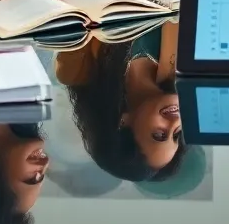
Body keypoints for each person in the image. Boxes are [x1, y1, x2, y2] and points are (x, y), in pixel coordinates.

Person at [55, 22, 190, 180]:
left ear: (123, 123)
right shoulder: (188, 65)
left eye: (160, 134)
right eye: (176, 134)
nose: (175, 122)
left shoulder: (78, 71)